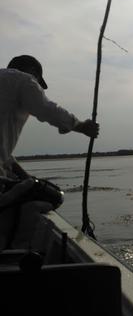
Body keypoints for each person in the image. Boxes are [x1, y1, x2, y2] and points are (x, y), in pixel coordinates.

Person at [0, 55, 99, 248]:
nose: (37, 86)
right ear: (33, 72)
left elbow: (4, 154)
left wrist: (24, 176)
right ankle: (17, 252)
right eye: (38, 82)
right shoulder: (23, 79)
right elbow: (47, 109)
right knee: (52, 197)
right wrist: (80, 125)